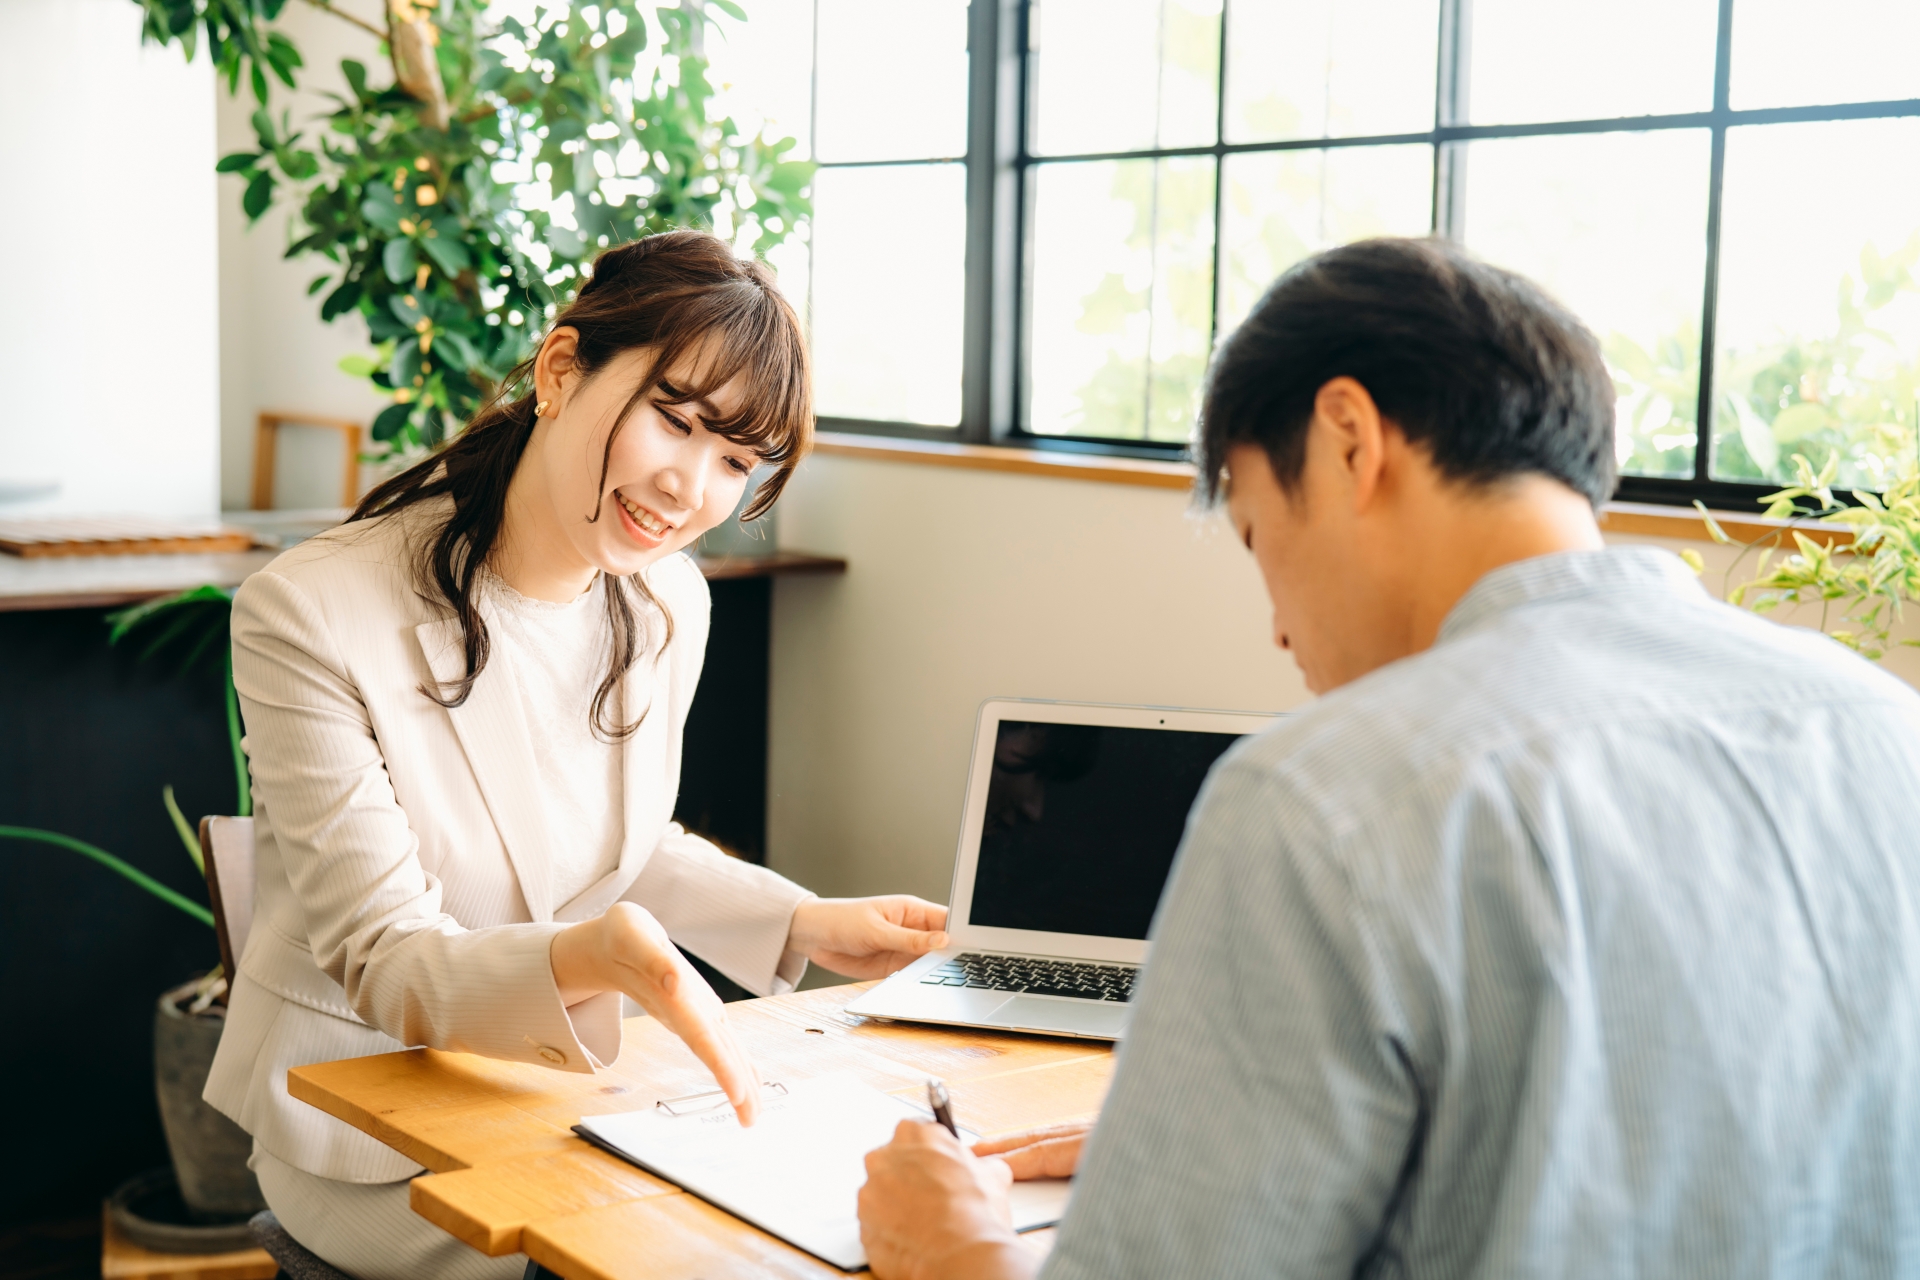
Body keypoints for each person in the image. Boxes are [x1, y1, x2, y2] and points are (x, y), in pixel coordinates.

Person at [857, 236, 1920, 1279]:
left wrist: (948, 1246)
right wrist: (1229, 1152)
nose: (1279, 629)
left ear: (1349, 438)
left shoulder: (1323, 793)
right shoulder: (1884, 724)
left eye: (1258, 538)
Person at [206, 230, 951, 1280]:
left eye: (736, 462)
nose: (690, 487)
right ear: (561, 370)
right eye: (675, 420)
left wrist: (801, 920)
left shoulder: (669, 600)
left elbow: (605, 842)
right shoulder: (313, 611)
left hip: (564, 1088)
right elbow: (385, 955)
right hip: (370, 1132)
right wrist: (587, 958)